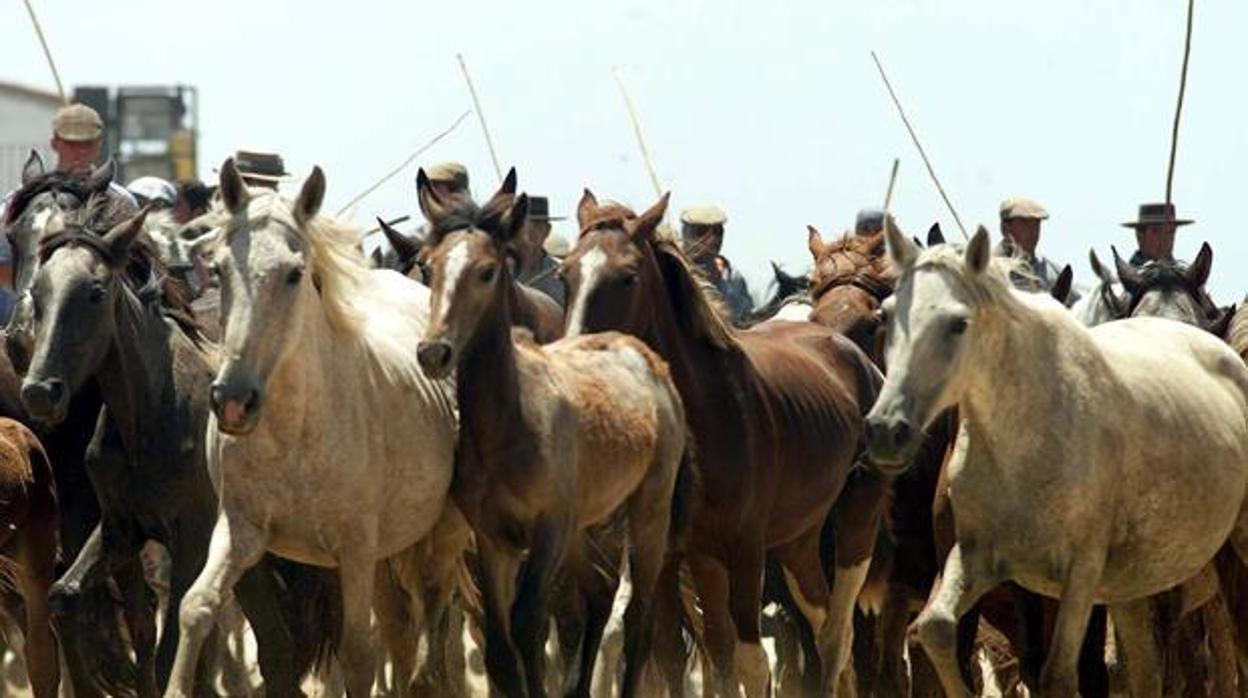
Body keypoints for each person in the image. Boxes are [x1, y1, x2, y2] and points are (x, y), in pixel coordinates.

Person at [680, 205, 754, 322]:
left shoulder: (732, 277)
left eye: (718, 232)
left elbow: (748, 319)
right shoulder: (672, 274)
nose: (711, 240)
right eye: (701, 232)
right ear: (685, 234)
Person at [994, 196, 1074, 297]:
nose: (1033, 231)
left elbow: (1078, 308)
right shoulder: (988, 271)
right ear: (1005, 227)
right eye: (1025, 223)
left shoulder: (1053, 273)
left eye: (1036, 224)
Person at [514, 196, 565, 305]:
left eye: (537, 225)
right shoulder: (501, 272)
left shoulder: (562, 275)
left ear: (547, 230)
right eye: (523, 225)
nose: (530, 232)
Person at [1121, 202, 1192, 266]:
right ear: (1140, 236)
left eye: (1170, 232)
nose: (1165, 239)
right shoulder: (1127, 278)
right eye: (1157, 232)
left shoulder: (1184, 276)